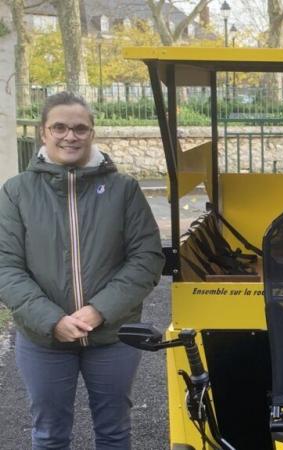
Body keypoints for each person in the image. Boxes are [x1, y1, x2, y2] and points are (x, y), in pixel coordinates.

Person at [0, 92, 164, 449]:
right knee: (49, 435)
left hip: (112, 336)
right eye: (59, 127)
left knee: (114, 432)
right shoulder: (17, 192)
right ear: (43, 132)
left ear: (92, 133)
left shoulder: (124, 189)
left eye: (79, 128)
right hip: (43, 339)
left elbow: (146, 257)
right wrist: (51, 320)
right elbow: (6, 267)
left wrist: (99, 310)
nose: (69, 136)